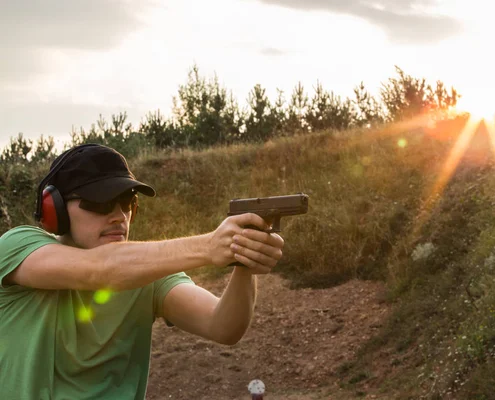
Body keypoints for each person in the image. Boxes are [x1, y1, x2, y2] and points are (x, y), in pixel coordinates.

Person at [0, 143, 284, 399]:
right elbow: (100, 270)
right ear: (55, 210)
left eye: (127, 203)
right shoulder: (19, 246)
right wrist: (209, 246)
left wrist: (244, 255)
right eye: (100, 202)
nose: (119, 216)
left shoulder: (146, 274)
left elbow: (223, 327)